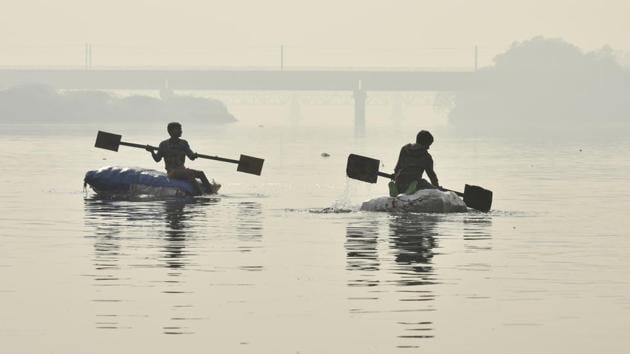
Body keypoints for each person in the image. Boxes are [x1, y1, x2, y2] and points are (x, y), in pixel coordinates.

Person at [146, 122, 213, 194]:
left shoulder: (184, 143)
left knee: (201, 173)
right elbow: (157, 159)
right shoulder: (163, 144)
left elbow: (191, 156)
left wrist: (194, 155)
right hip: (172, 172)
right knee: (189, 173)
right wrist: (152, 151)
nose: (181, 131)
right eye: (178, 129)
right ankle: (199, 194)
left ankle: (210, 192)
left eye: (180, 129)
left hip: (182, 169)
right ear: (170, 131)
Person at [389, 130, 440, 197]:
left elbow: (398, 167)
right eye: (428, 145)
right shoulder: (426, 156)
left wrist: (395, 175)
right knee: (423, 183)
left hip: (400, 181)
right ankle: (409, 191)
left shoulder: (404, 149)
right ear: (425, 144)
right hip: (414, 183)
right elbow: (431, 175)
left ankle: (396, 188)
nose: (428, 148)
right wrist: (437, 188)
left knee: (401, 179)